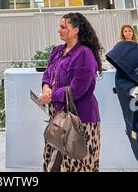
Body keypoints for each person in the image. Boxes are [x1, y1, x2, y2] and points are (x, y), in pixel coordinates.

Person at [40, 12, 103, 172]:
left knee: (79, 164)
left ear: (76, 30)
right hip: (58, 118)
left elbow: (76, 90)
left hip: (80, 120)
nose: (59, 30)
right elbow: (47, 74)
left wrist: (51, 95)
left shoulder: (85, 55)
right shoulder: (57, 51)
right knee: (53, 161)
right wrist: (46, 88)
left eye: (63, 27)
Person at [106, 25, 138, 161]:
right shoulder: (120, 47)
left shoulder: (136, 47)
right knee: (132, 122)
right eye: (125, 31)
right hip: (127, 90)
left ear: (133, 32)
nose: (128, 32)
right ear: (122, 33)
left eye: (129, 30)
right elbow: (117, 62)